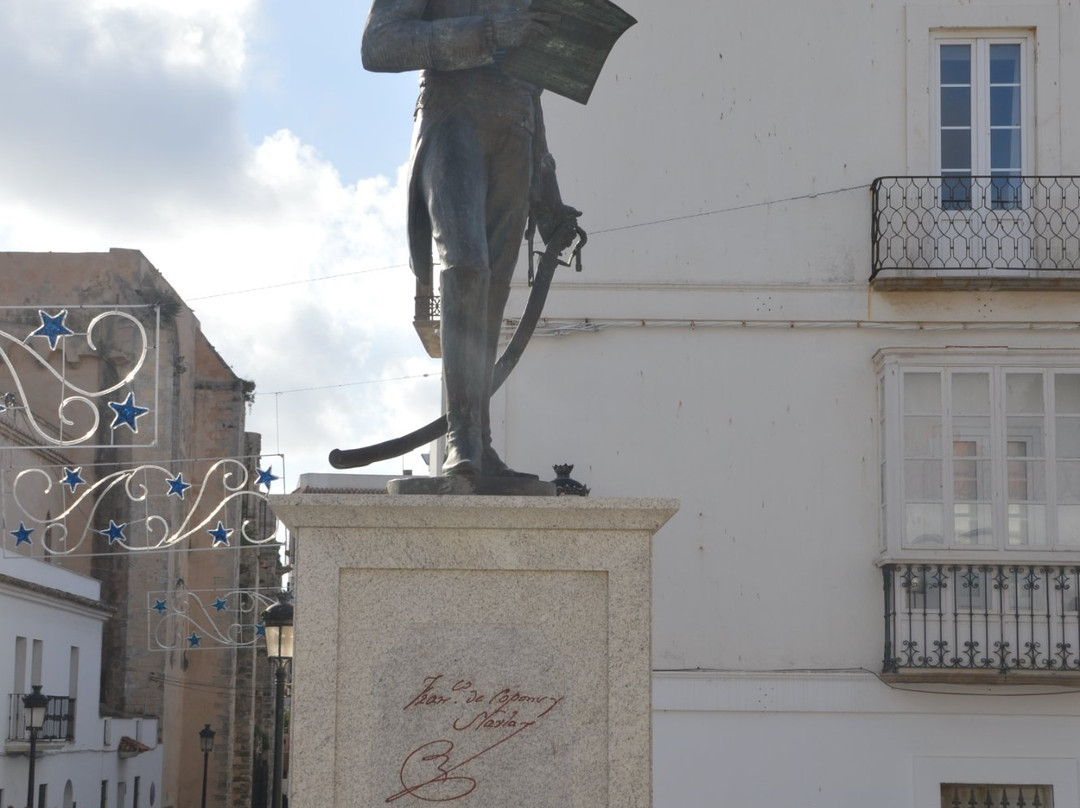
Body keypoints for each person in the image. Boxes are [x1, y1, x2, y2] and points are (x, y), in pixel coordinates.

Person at [362, 0, 579, 479]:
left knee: (492, 291)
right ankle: (462, 438)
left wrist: (549, 202)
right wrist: (487, 31)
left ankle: (481, 443)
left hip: (515, 134)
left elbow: (534, 93)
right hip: (452, 117)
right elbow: (379, 44)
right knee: (463, 266)